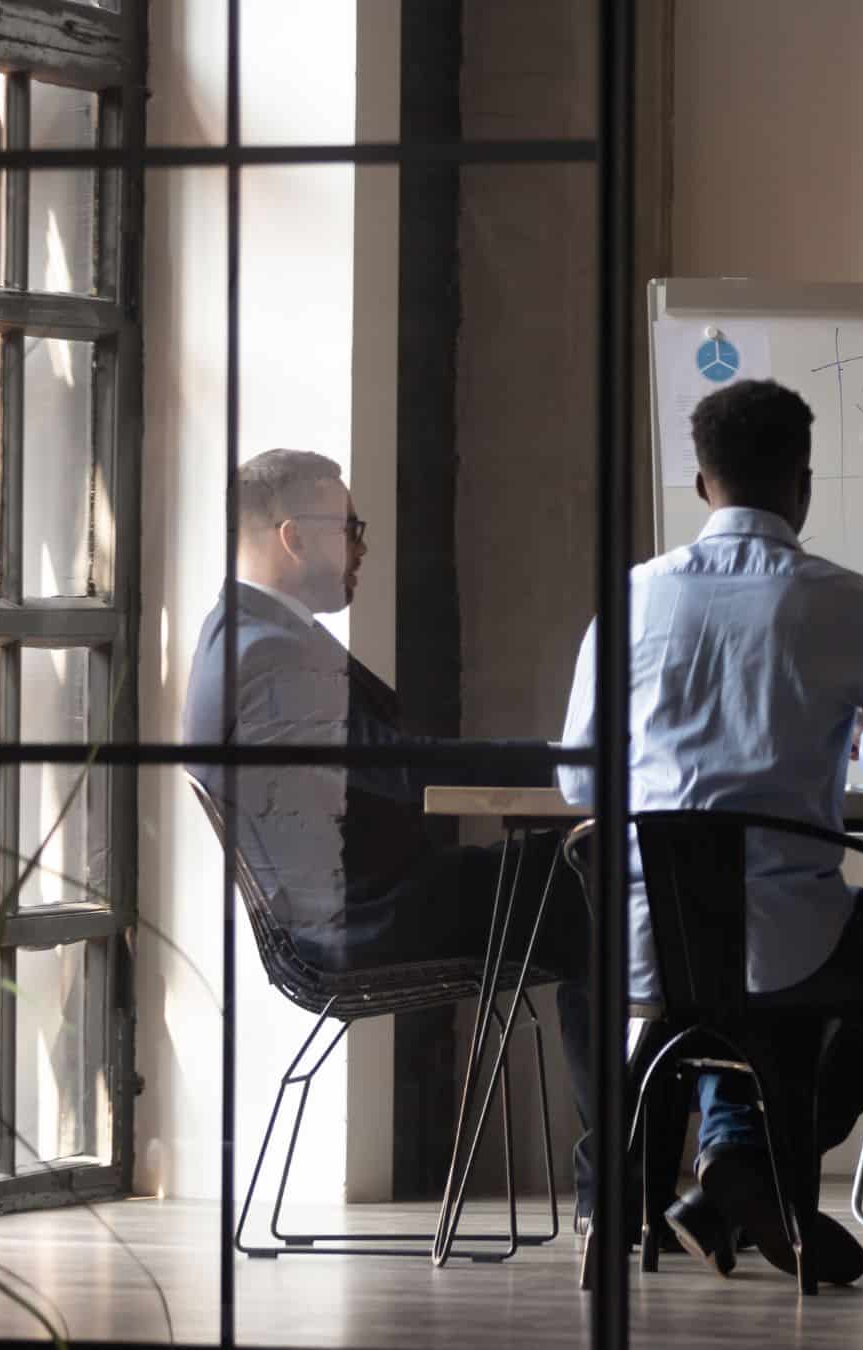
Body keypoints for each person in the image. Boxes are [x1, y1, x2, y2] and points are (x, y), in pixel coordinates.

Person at [558, 378, 863, 1284]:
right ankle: (744, 1159)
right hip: (793, 948)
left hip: (642, 950)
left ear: (703, 483)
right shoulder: (851, 604)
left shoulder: (627, 600)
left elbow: (574, 779)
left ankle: (720, 1174)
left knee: (708, 989)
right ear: (805, 483)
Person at [183, 449, 602, 1212]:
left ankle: (632, 1182)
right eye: (350, 527)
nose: (362, 548)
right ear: (293, 538)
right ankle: (621, 1188)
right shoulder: (267, 652)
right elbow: (402, 767)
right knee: (595, 886)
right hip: (360, 922)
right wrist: (581, 761)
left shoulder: (248, 633)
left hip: (363, 903)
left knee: (584, 874)